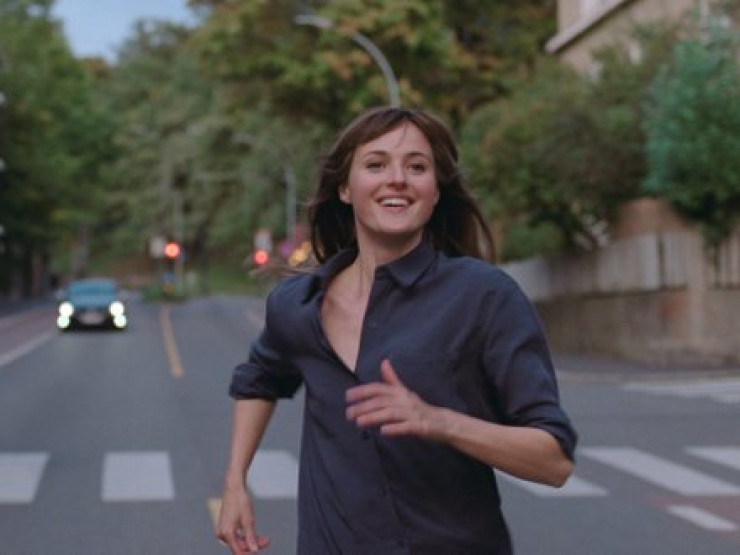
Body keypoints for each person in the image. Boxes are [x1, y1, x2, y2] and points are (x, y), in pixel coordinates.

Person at [216, 106, 577, 554]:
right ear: (345, 188)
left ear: (436, 191)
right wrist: (235, 482)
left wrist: (438, 421)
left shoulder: (484, 297)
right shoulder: (298, 304)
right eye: (376, 164)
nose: (397, 179)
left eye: (417, 167)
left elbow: (553, 461)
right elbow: (259, 379)